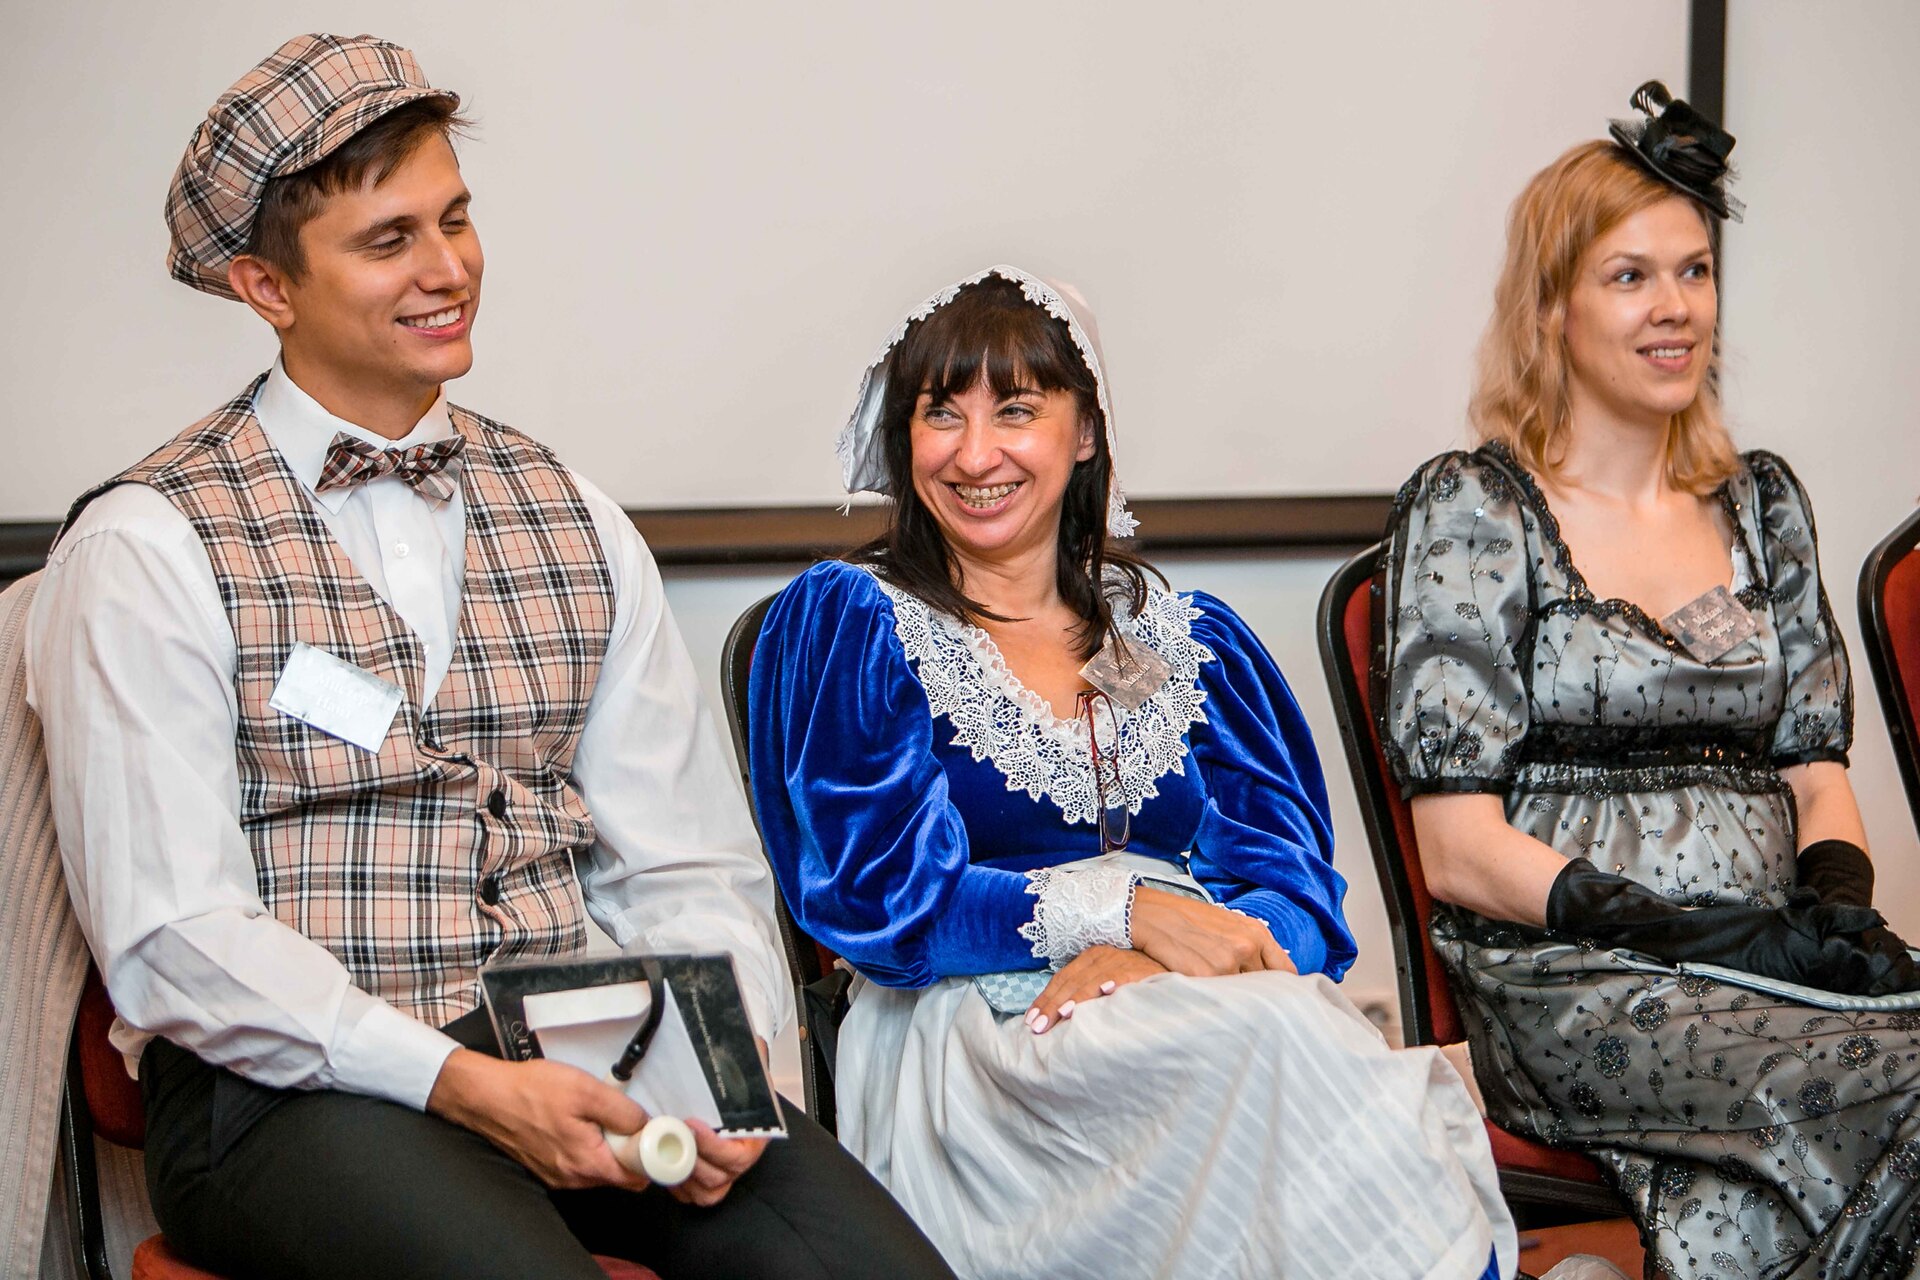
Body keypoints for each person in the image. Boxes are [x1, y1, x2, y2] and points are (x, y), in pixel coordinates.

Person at [26, 34, 952, 1280]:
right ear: (265, 285)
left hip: (586, 1046)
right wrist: (460, 1082)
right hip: (289, 1092)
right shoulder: (147, 543)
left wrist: (724, 1072)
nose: (448, 267)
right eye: (388, 240)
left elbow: (685, 860)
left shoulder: (574, 510)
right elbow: (173, 936)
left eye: (454, 219)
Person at [748, 264, 1517, 1279]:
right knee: (1310, 1066)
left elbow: (1298, 901)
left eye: (1016, 410)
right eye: (941, 413)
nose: (974, 454)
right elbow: (881, 899)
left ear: (1085, 431)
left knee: (1299, 1047)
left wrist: (1168, 958)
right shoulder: (859, 624)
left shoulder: (1190, 641)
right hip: (981, 1042)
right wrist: (1126, 913)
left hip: (1200, 1011)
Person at [1382, 83, 1920, 1278]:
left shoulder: (1762, 502)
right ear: (1553, 308)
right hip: (1574, 976)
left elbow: (1814, 768)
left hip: (1768, 960)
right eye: (1630, 276)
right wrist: (1669, 925)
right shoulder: (1475, 507)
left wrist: (1837, 906)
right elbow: (1457, 849)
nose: (1675, 307)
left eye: (1694, 271)